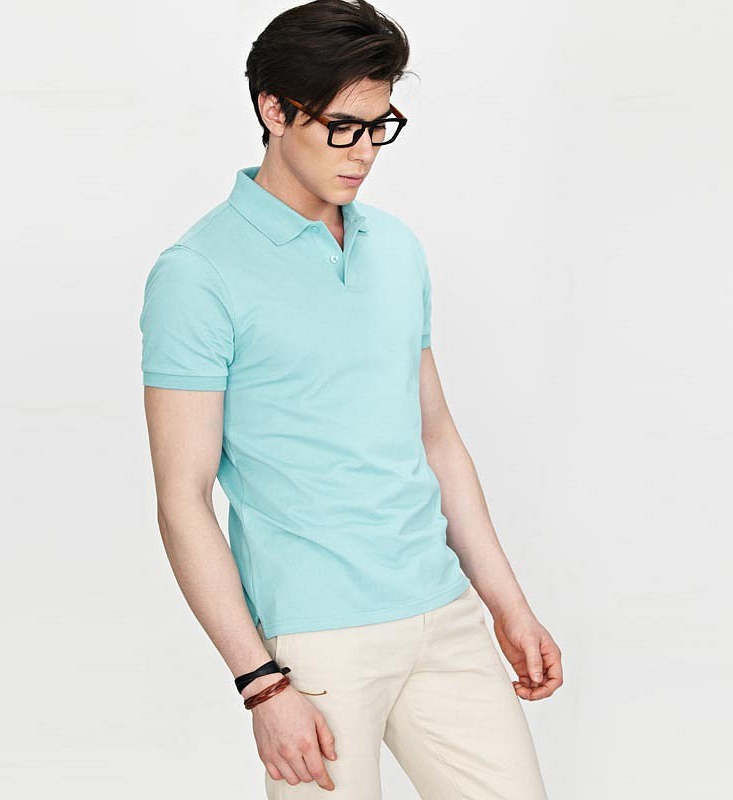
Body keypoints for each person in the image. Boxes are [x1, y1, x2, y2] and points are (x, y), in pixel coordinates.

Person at [139, 1, 563, 797]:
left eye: (380, 126)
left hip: (443, 613)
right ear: (274, 110)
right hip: (317, 642)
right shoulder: (197, 275)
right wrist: (260, 683)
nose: (365, 151)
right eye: (343, 127)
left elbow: (436, 439)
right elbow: (182, 498)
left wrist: (508, 604)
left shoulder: (395, 248)